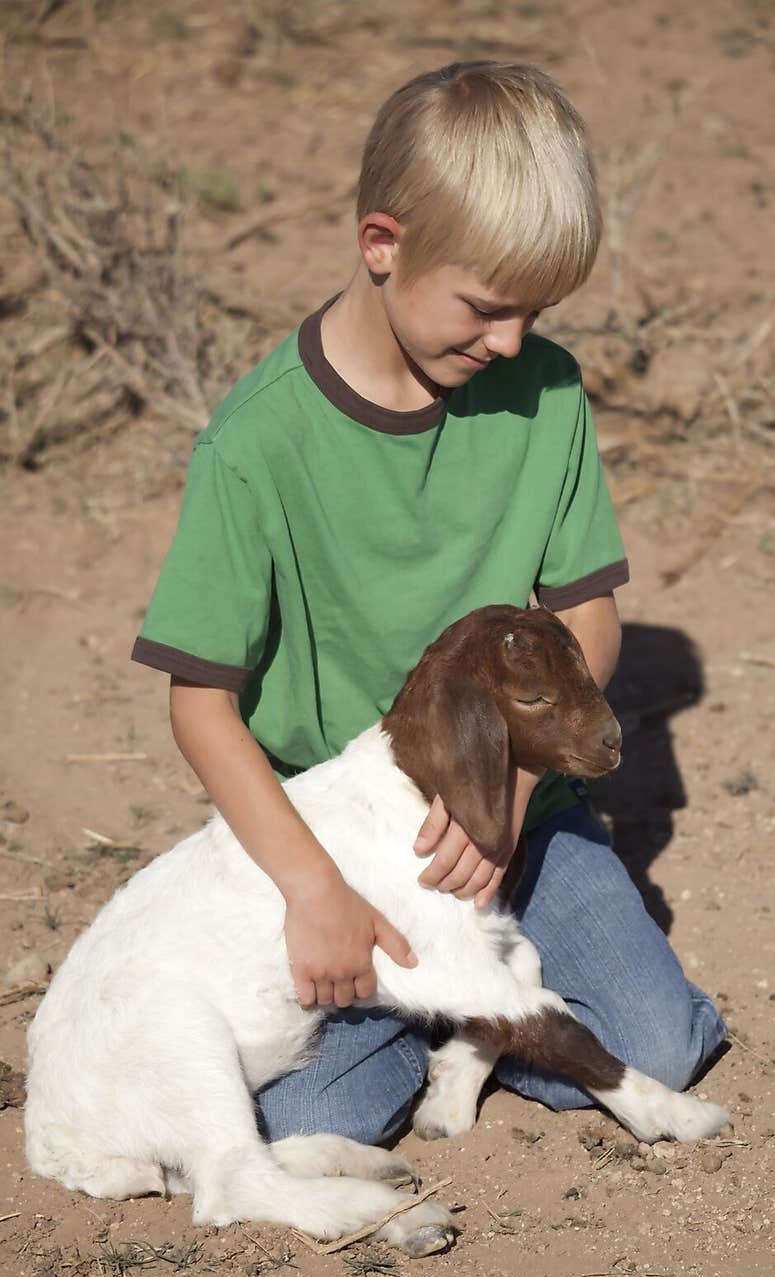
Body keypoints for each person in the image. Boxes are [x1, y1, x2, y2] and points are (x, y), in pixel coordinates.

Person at [132, 61, 726, 1147]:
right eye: (487, 306)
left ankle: (475, 1016)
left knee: (661, 1040)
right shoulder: (257, 444)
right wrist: (312, 889)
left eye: (533, 312)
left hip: (514, 829)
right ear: (381, 244)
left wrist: (506, 794)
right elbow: (200, 702)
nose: (509, 341)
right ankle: (470, 1010)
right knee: (313, 1114)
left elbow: (587, 620)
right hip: (351, 845)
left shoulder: (544, 393)